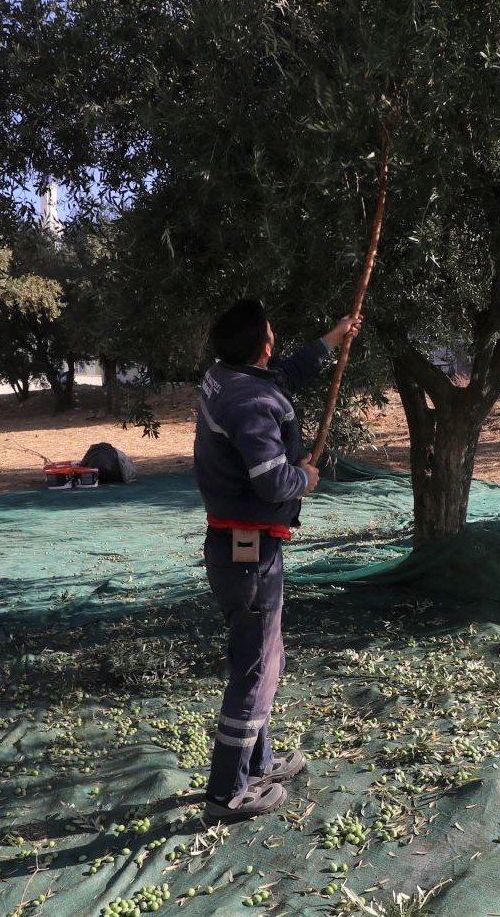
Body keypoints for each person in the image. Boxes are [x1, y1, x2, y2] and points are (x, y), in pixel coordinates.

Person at [193, 299, 362, 824]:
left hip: (233, 548)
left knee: (261, 659)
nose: (275, 340)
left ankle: (258, 762)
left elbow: (280, 374)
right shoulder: (251, 403)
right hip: (249, 553)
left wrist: (331, 340)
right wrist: (305, 478)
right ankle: (226, 793)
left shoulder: (225, 377)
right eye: (272, 333)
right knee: (255, 671)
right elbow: (271, 482)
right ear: (263, 344)